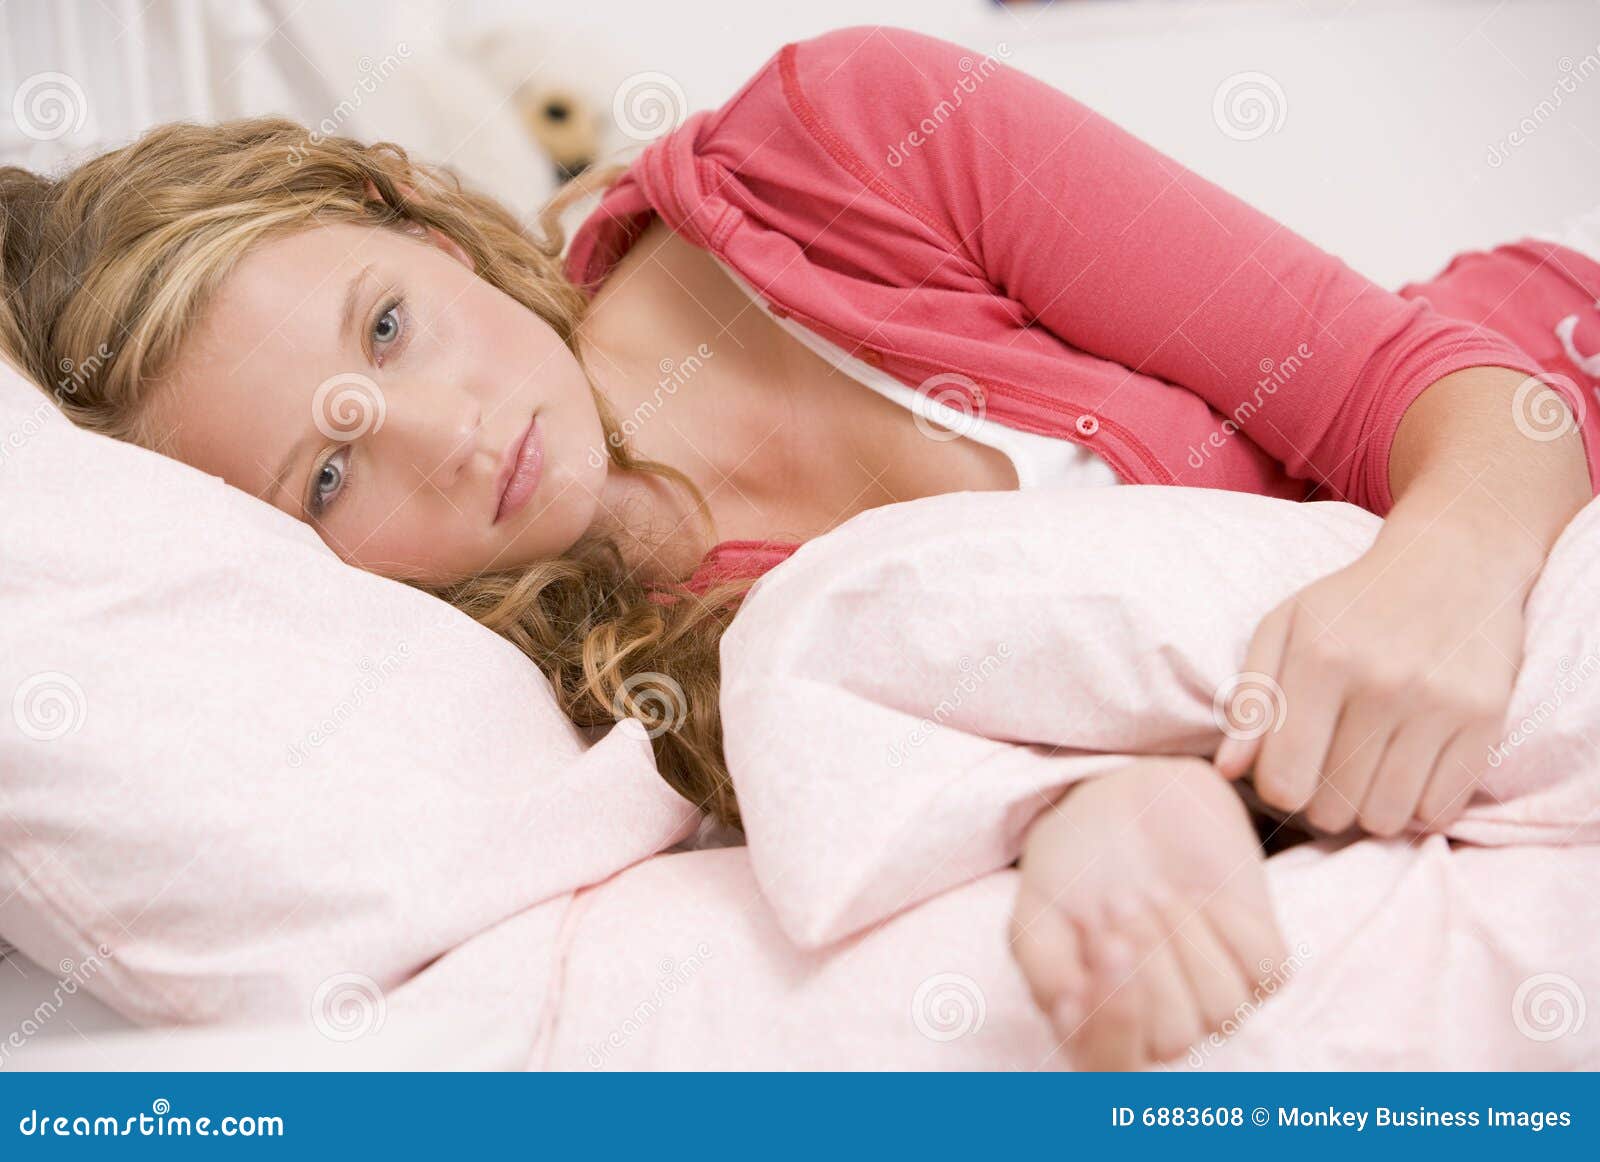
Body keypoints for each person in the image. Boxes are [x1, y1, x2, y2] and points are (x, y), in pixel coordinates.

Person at [3, 26, 1595, 1069]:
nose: (451, 436)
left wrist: (1446, 567)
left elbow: (1417, 386)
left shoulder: (841, 145)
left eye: (393, 325)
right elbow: (969, 762)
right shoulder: (554, 694)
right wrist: (1114, 805)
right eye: (330, 474)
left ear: (414, 211)